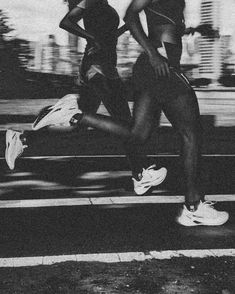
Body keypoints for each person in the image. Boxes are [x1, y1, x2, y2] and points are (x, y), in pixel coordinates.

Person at [29, 0, 230, 226]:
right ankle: (194, 206)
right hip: (160, 66)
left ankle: (73, 114)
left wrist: (194, 30)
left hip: (155, 67)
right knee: (191, 134)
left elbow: (166, 25)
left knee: (138, 134)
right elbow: (131, 15)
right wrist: (153, 53)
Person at [5, 0, 167, 196]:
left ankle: (22, 138)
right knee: (125, 123)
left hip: (105, 67)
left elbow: (107, 36)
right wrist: (93, 39)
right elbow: (66, 22)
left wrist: (126, 27)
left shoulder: (103, 6)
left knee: (78, 125)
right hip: (98, 68)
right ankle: (140, 174)